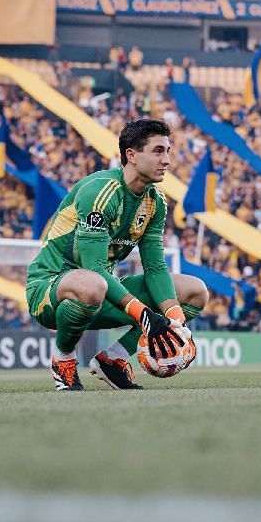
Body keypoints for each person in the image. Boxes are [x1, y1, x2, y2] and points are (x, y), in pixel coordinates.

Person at [25, 119, 209, 390]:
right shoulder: (100, 192)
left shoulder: (155, 201)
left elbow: (156, 267)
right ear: (131, 155)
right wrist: (144, 315)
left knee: (195, 291)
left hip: (102, 293)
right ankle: (63, 359)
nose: (167, 160)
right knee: (92, 284)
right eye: (158, 151)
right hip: (51, 290)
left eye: (168, 151)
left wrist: (176, 321)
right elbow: (95, 267)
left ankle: (113, 360)